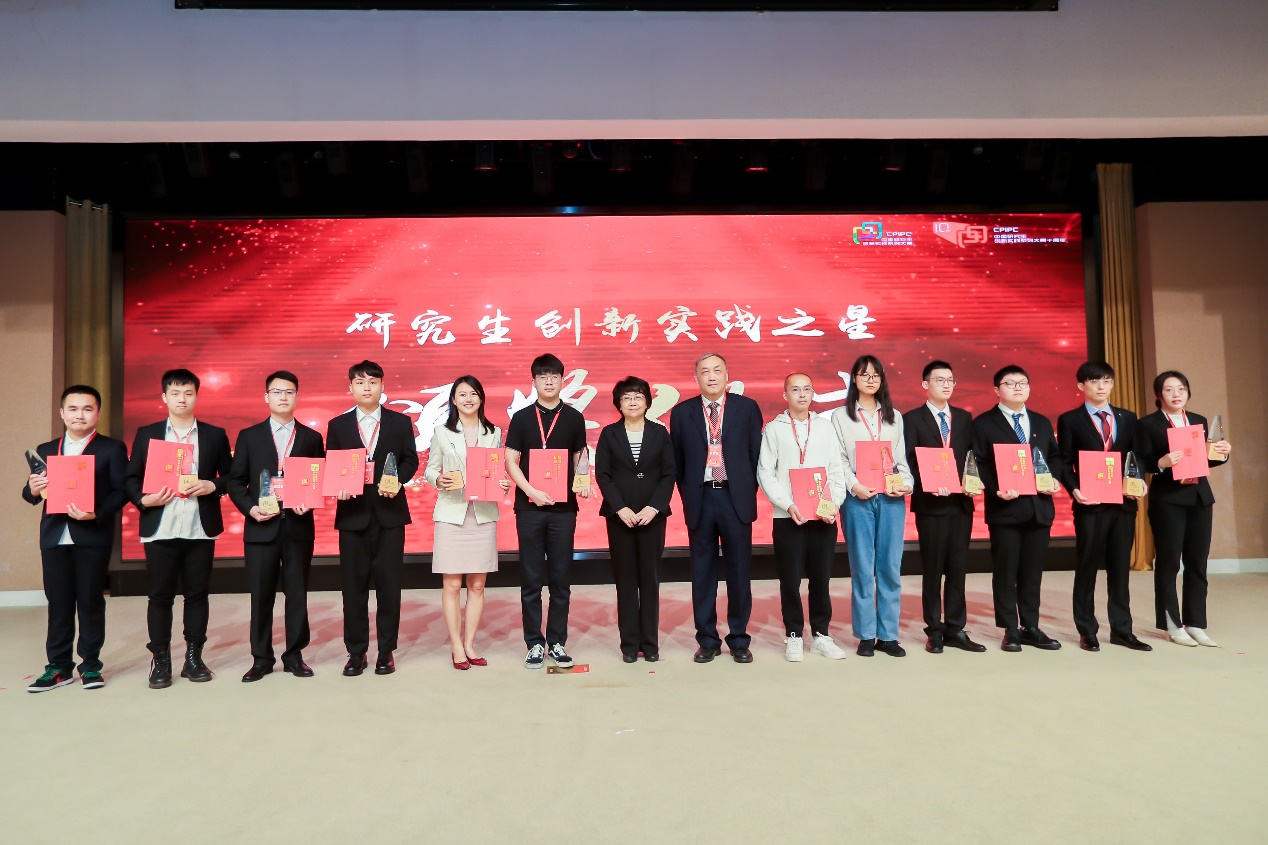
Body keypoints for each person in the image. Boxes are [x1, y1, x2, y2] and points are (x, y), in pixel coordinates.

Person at [123, 368, 232, 688]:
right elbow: (131, 477)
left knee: (197, 595)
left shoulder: (214, 434)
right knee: (160, 596)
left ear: (197, 396)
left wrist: (213, 485)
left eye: (188, 393)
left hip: (200, 526)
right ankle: (161, 660)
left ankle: (194, 658)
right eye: (175, 393)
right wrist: (144, 499)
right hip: (161, 526)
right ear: (164, 397)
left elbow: (231, 476)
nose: (181, 399)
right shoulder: (148, 434)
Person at [22, 385, 129, 692]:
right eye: (73, 408)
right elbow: (31, 494)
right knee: (58, 603)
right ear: (62, 413)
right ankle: (58, 667)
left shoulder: (111, 449)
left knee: (90, 602)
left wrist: (95, 514)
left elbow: (121, 491)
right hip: (54, 536)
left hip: (92, 535)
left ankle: (90, 665)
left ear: (98, 413)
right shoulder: (46, 449)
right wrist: (32, 488)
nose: (79, 415)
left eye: (87, 408)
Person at [227, 370, 327, 682]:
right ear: (266, 397)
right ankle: (261, 658)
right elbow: (235, 481)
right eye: (277, 391)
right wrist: (250, 508)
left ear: (297, 397)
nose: (283, 397)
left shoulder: (311, 438)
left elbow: (319, 479)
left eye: (289, 392)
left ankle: (294, 655)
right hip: (260, 526)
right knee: (261, 595)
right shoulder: (249, 436)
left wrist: (309, 501)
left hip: (298, 526)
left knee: (297, 594)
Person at [325, 360, 419, 677]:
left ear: (382, 386)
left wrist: (397, 479)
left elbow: (410, 460)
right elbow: (332, 465)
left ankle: (386, 651)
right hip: (352, 516)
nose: (366, 387)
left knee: (389, 587)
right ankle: (356, 652)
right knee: (353, 589)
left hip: (390, 514)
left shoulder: (400, 422)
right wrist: (337, 487)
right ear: (350, 387)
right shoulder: (338, 425)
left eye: (372, 382)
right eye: (360, 382)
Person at [670, 352, 764, 664]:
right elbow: (678, 463)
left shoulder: (746, 408)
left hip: (735, 499)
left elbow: (755, 455)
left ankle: (739, 639)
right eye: (705, 372)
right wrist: (689, 496)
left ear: (727, 375)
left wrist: (744, 491)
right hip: (701, 499)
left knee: (739, 572)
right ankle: (707, 640)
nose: (711, 376)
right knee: (702, 573)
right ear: (696, 378)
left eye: (717, 371)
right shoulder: (682, 413)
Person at [1055, 361, 1151, 652]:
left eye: (1106, 380)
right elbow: (1064, 461)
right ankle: (1087, 630)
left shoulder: (1127, 417)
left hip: (1122, 503)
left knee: (1120, 567)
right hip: (1091, 504)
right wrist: (1075, 489)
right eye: (1094, 381)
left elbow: (1137, 456)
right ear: (1081, 385)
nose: (1101, 386)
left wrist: (1137, 481)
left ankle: (1122, 630)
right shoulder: (1070, 419)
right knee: (1087, 566)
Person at [504, 354, 592, 669]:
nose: (549, 381)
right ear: (534, 382)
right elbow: (510, 461)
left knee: (560, 578)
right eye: (543, 376)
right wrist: (530, 491)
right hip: (529, 508)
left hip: (564, 509)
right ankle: (534, 643)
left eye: (554, 376)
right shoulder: (521, 418)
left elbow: (580, 456)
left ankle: (556, 641)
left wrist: (584, 480)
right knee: (531, 578)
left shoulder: (574, 418)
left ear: (562, 380)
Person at [756, 373, 848, 662]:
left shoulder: (825, 427)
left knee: (821, 578)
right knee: (790, 579)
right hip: (788, 516)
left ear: (813, 393)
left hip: (823, 516)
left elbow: (836, 470)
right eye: (795, 390)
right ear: (785, 395)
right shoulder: (774, 429)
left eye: (807, 389)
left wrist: (833, 505)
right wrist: (786, 504)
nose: (802, 394)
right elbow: (765, 473)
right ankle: (794, 634)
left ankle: (821, 634)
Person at [970, 365, 1063, 653]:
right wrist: (995, 488)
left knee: (1032, 572)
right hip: (1005, 508)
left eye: (1023, 383)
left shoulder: (1041, 422)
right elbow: (978, 462)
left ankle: (1031, 626)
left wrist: (1054, 479)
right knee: (1006, 570)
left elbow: (1054, 457)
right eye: (1010, 383)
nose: (1018, 388)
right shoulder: (983, 423)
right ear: (996, 390)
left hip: (1039, 508)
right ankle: (1010, 628)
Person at [1136, 370, 1231, 647]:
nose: (1176, 394)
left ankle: (1195, 623)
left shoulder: (1199, 420)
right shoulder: (1148, 424)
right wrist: (1161, 463)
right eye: (1168, 389)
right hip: (1168, 500)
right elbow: (1140, 460)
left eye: (1181, 388)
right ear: (1159, 395)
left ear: (1188, 392)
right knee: (1168, 563)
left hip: (1200, 498)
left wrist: (1222, 453)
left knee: (1197, 563)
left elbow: (1205, 459)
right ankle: (1172, 624)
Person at [423, 376, 510, 670]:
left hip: (482, 514)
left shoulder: (494, 432)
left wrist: (503, 484)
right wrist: (439, 480)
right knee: (451, 585)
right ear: (454, 400)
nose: (468, 399)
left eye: (473, 394)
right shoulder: (442, 432)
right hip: (452, 513)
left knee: (477, 584)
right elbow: (430, 469)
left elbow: (496, 471)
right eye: (462, 394)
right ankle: (456, 646)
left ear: (481, 398)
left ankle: (470, 643)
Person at [832, 355, 913, 657]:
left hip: (891, 499)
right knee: (863, 567)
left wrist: (907, 483)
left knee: (890, 567)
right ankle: (866, 634)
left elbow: (900, 459)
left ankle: (888, 635)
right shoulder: (840, 416)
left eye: (875, 375)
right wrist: (854, 485)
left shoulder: (895, 416)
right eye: (864, 375)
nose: (870, 380)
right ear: (853, 379)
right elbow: (839, 458)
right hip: (858, 499)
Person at [903, 360, 985, 654]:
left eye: (950, 380)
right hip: (931, 504)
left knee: (958, 568)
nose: (946, 385)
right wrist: (929, 482)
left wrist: (974, 480)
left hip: (961, 503)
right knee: (933, 568)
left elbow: (972, 458)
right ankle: (934, 630)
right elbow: (909, 460)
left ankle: (955, 628)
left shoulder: (964, 418)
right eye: (940, 380)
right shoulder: (912, 419)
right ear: (925, 385)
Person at [595, 376, 676, 663]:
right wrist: (620, 508)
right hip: (620, 519)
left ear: (647, 402)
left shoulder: (660, 433)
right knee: (626, 582)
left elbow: (669, 473)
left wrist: (654, 507)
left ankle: (650, 645)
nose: (632, 402)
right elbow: (603, 474)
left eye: (638, 396)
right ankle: (629, 645)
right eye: (626, 397)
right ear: (618, 403)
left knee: (650, 581)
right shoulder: (609, 434)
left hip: (653, 518)